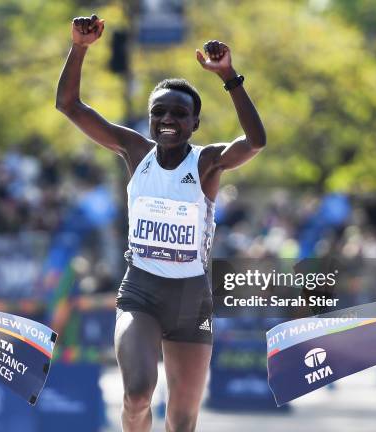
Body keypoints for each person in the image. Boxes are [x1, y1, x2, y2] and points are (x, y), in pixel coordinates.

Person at [56, 14, 266, 432]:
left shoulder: (207, 162)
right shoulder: (136, 152)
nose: (168, 119)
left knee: (182, 421)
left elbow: (256, 141)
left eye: (179, 113)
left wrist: (228, 76)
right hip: (142, 292)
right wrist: (79, 48)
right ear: (150, 120)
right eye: (160, 112)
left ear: (195, 124)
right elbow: (69, 105)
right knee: (136, 395)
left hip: (192, 300)